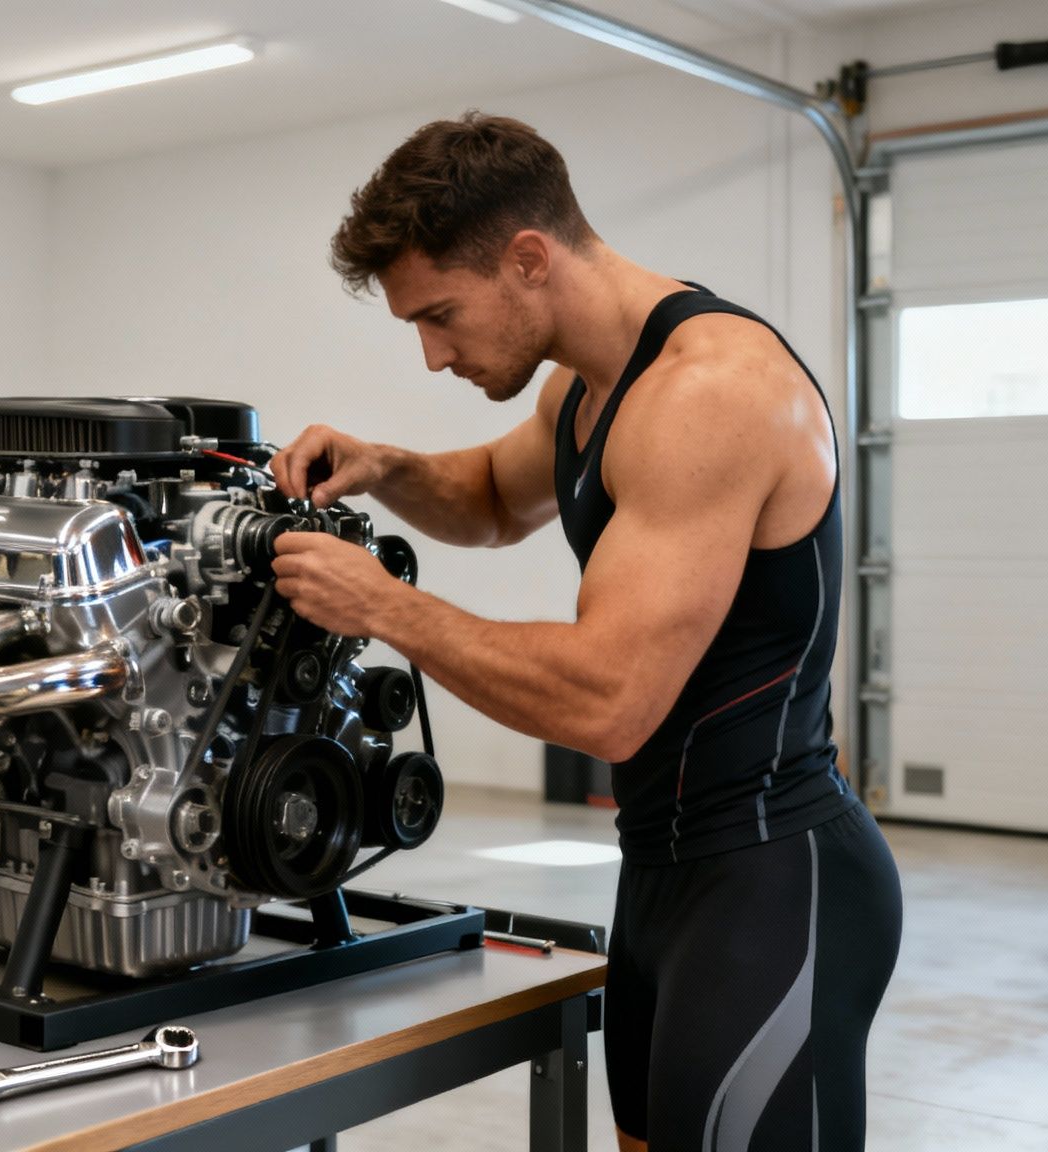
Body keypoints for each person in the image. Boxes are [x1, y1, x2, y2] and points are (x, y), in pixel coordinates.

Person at [266, 112, 904, 1152]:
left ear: (527, 258)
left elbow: (607, 703)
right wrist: (382, 466)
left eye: (440, 315)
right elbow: (483, 498)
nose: (432, 356)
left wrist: (380, 606)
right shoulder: (582, 385)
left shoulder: (709, 394)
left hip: (772, 878)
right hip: (660, 871)